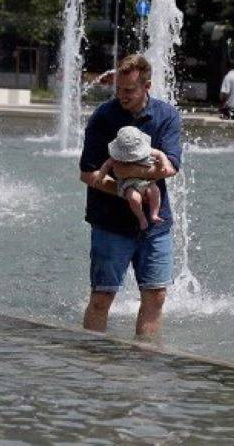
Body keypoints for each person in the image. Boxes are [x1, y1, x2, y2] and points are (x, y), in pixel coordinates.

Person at [78, 54, 182, 338]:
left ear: (146, 86)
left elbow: (171, 166)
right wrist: (124, 189)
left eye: (129, 91)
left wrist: (134, 177)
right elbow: (87, 173)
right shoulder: (103, 116)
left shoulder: (166, 116)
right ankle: (94, 359)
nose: (121, 96)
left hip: (155, 225)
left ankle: (144, 363)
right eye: (118, 90)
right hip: (110, 223)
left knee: (156, 296)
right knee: (102, 298)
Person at [97, 126, 168, 230]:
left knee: (155, 191)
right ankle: (141, 217)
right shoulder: (116, 158)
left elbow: (161, 154)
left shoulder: (148, 151)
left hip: (147, 181)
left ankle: (154, 213)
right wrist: (100, 177)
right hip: (128, 184)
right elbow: (106, 165)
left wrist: (164, 165)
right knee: (133, 198)